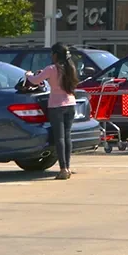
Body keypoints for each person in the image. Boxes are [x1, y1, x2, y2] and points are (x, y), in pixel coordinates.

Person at [26, 43, 79, 180]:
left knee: (59, 138)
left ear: (55, 55)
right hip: (71, 104)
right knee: (67, 137)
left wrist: (29, 74)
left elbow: (35, 81)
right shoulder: (71, 68)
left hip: (56, 106)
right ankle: (68, 166)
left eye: (51, 54)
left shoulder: (51, 69)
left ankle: (63, 169)